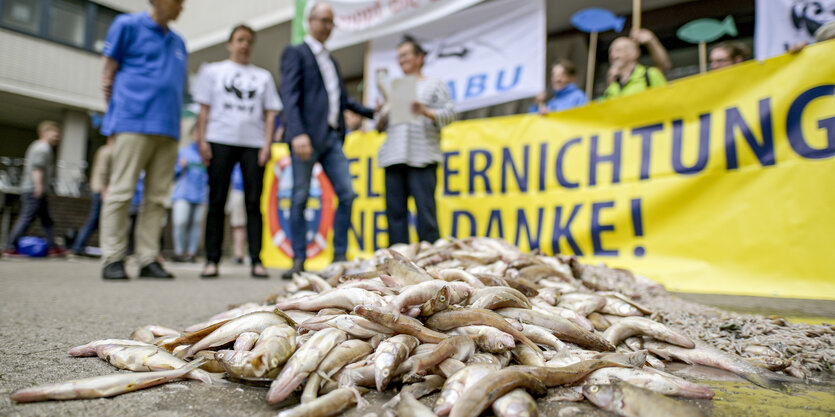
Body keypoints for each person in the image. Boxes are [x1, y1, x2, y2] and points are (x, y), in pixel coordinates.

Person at [280, 2, 377, 278]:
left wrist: (371, 112)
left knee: (346, 194)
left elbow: (342, 100)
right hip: (306, 137)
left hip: (333, 137)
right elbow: (290, 95)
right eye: (323, 20)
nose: (327, 26)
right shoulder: (295, 53)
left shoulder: (331, 61)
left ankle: (338, 258)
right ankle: (298, 259)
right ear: (309, 21)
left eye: (331, 22)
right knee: (299, 197)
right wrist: (297, 132)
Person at [99, 0, 187, 280]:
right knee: (122, 190)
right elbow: (107, 75)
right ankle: (112, 257)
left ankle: (148, 257)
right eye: (178, 1)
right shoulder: (127, 26)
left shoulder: (179, 42)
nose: (182, 7)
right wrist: (116, 116)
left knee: (158, 197)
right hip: (132, 121)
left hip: (169, 128)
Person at [193, 24, 282, 279]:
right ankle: (211, 260)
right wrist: (202, 140)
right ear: (230, 43)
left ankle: (257, 259)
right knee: (217, 201)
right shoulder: (213, 71)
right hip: (219, 138)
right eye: (240, 40)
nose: (244, 45)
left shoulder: (263, 76)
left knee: (254, 202)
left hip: (253, 144)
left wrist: (267, 145)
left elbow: (271, 113)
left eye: (249, 41)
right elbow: (204, 110)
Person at [377, 36, 454, 246]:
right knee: (395, 215)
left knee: (426, 213)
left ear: (419, 57)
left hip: (422, 157)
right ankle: (398, 260)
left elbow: (449, 115)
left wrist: (426, 111)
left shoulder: (434, 85)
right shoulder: (392, 89)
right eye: (398, 57)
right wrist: (381, 116)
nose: (401, 60)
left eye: (405, 55)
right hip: (394, 157)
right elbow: (380, 127)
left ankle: (431, 262)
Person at [3, 121, 68, 257]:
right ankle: (10, 247)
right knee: (27, 217)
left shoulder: (40, 147)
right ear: (44, 133)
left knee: (47, 220)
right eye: (54, 133)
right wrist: (38, 187)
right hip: (34, 189)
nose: (57, 136)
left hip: (38, 189)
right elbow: (36, 169)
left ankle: (52, 247)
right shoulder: (42, 148)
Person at [71, 137, 113, 256]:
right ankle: (78, 247)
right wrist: (104, 190)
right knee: (94, 219)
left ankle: (79, 247)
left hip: (99, 189)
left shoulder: (103, 151)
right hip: (102, 190)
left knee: (96, 220)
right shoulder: (107, 151)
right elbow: (103, 172)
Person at [603, 28, 669, 100]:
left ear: (634, 53)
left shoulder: (650, 74)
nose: (613, 55)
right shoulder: (612, 85)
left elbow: (666, 100)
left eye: (618, 50)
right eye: (610, 52)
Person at [171, 139, 207, 263]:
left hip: (201, 195)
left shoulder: (206, 154)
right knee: (180, 222)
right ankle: (179, 252)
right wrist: (180, 167)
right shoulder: (183, 152)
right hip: (183, 194)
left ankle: (191, 253)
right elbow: (171, 174)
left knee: (197, 224)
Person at [225, 164, 247, 264]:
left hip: (243, 189)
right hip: (238, 189)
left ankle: (239, 254)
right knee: (239, 223)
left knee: (239, 224)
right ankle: (239, 254)